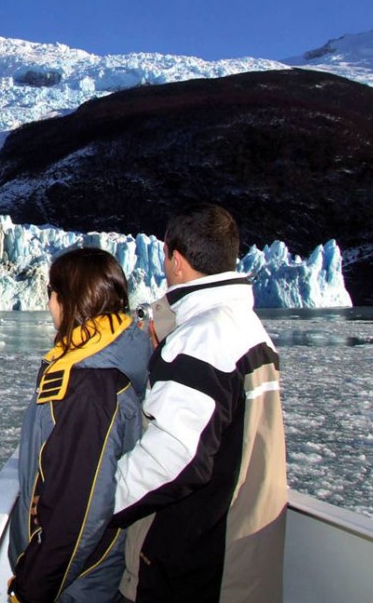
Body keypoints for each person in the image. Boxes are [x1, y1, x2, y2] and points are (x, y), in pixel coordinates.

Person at [112, 204, 287, 602]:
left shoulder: (203, 339)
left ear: (176, 259)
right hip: (238, 557)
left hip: (195, 571)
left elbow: (173, 458)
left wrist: (93, 502)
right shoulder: (245, 327)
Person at [7, 247, 152, 603]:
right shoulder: (95, 369)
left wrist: (31, 590)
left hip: (78, 584)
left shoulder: (90, 387)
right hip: (84, 575)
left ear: (68, 300)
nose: (48, 304)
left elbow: (79, 512)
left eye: (51, 293)